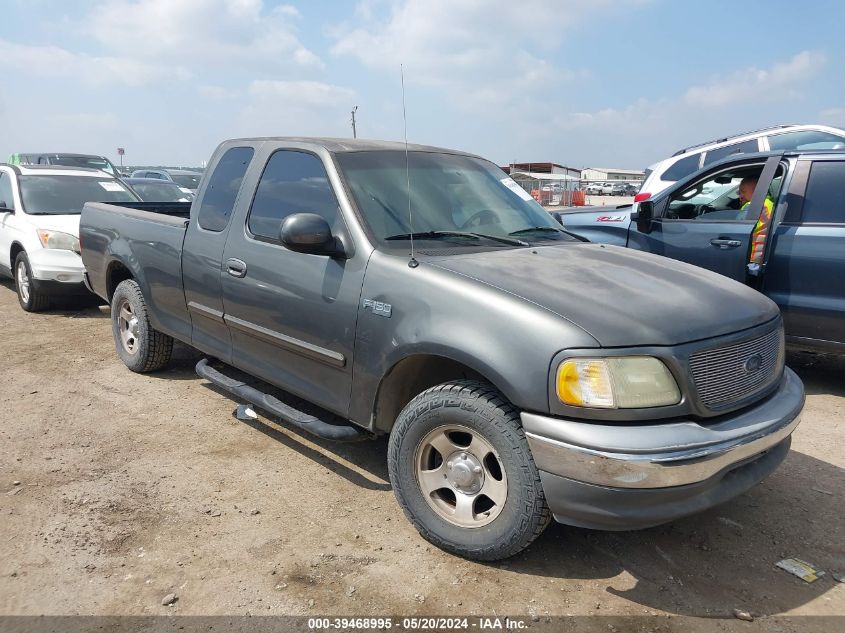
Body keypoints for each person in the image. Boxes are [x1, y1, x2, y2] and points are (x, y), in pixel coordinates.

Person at [738, 176, 774, 264]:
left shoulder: (751, 206)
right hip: (764, 254)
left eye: (743, 192)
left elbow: (736, 229)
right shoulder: (771, 203)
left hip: (752, 256)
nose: (740, 196)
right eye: (739, 192)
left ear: (757, 191)